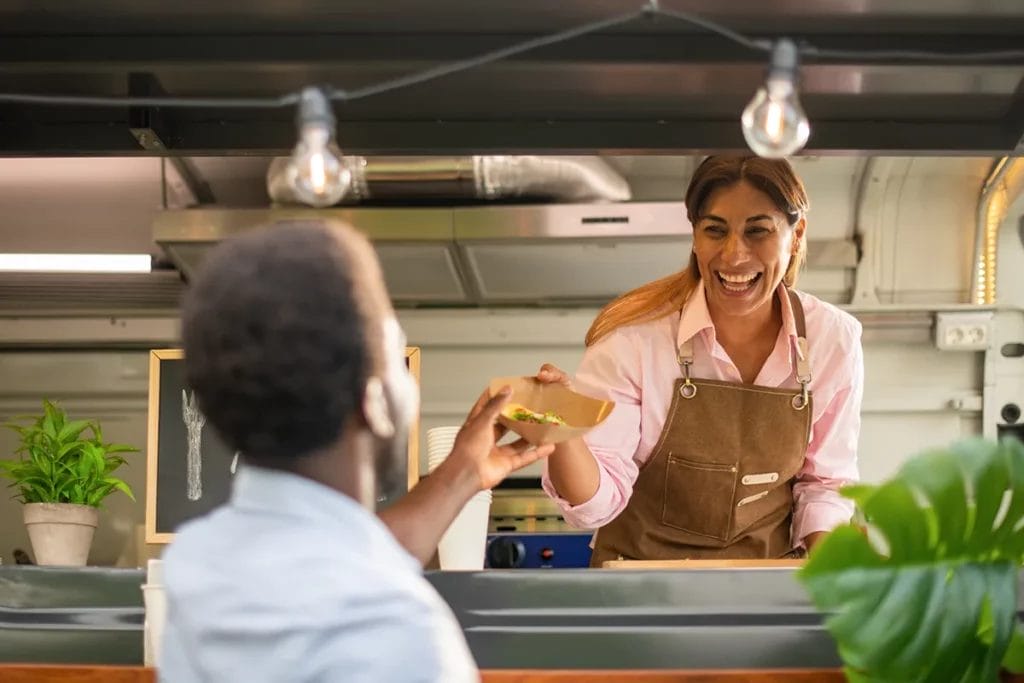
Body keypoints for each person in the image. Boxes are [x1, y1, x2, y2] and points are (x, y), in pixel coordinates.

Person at [158, 220, 554, 683]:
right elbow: (351, 576)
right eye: (398, 354)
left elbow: (334, 556)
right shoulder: (400, 629)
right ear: (375, 401)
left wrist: (461, 475)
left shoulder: (197, 565)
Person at [537, 155, 864, 566]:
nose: (733, 255)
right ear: (694, 235)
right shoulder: (633, 341)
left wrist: (833, 559)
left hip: (766, 586)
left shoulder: (832, 338)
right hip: (639, 589)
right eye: (715, 231)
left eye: (758, 231)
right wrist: (562, 435)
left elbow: (825, 483)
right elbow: (594, 506)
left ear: (796, 234)